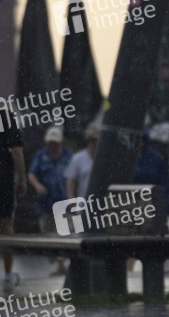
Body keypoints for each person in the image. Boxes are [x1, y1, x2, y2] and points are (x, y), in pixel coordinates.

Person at [28, 126, 73, 275]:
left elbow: (74, 177)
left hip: (63, 201)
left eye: (55, 142)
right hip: (45, 202)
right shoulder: (41, 155)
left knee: (66, 233)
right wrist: (37, 185)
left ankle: (64, 263)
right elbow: (32, 174)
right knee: (47, 234)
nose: (53, 145)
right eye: (51, 142)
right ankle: (58, 264)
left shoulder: (69, 155)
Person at [0, 108, 26, 293]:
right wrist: (22, 178)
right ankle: (8, 277)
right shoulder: (5, 116)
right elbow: (16, 151)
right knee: (6, 227)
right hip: (2, 180)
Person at [65, 125, 100, 199]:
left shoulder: (102, 158)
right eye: (91, 140)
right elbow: (70, 179)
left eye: (95, 140)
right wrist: (71, 197)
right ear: (87, 140)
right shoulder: (78, 158)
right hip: (83, 200)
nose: (93, 143)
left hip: (100, 200)